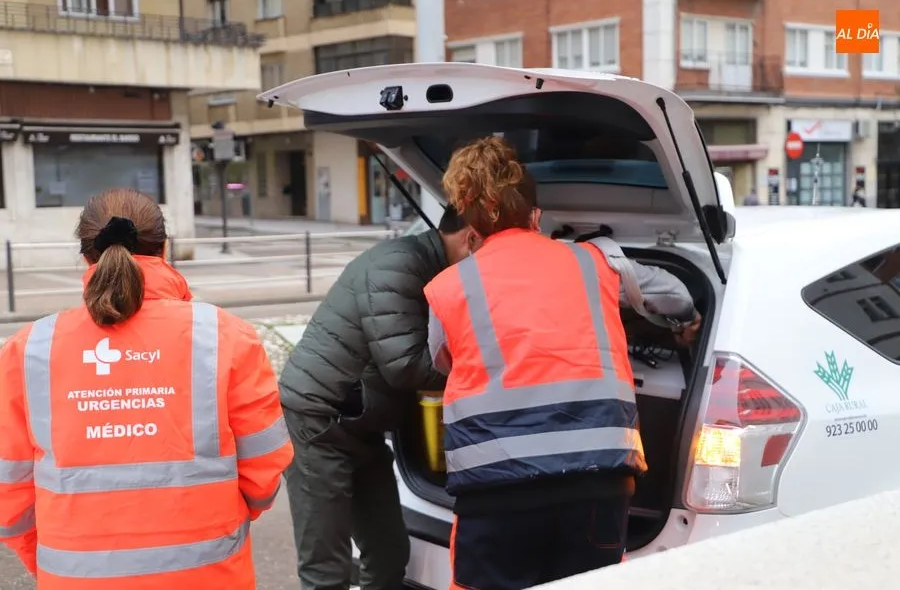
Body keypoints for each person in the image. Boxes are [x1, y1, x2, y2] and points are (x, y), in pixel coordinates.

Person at [424, 137, 701, 590]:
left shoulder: (448, 287)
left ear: (472, 227)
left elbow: (443, 360)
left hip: (497, 492)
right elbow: (674, 293)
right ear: (536, 218)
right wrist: (686, 321)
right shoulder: (595, 262)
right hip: (598, 485)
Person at [0, 188, 293, 589]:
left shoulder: (28, 349)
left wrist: (55, 562)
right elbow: (265, 466)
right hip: (209, 576)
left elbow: (9, 492)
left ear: (86, 256)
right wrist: (222, 521)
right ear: (164, 248)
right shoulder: (226, 336)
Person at [279, 206, 480, 590]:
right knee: (326, 569)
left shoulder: (432, 268)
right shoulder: (398, 266)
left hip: (361, 423)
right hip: (318, 424)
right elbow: (405, 366)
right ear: (471, 238)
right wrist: (484, 372)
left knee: (388, 552)